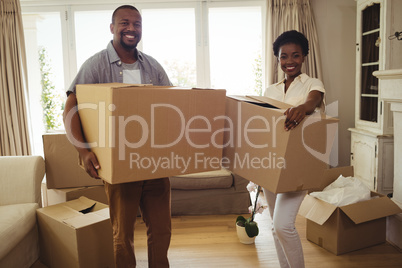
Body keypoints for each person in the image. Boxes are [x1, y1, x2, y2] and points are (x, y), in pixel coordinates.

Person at [63, 5, 172, 268]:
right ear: (112, 28)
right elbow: (71, 106)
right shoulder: (95, 64)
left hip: (154, 163)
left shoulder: (152, 66)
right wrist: (83, 150)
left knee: (161, 230)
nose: (131, 29)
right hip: (119, 163)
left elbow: (172, 106)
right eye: (124, 23)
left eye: (137, 24)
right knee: (122, 235)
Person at [263, 30, 325, 268]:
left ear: (304, 57)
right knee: (274, 225)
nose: (290, 61)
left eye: (295, 55)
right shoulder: (270, 91)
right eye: (284, 56)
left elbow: (313, 101)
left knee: (283, 224)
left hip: (298, 164)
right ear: (278, 59)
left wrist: (303, 108)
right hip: (272, 163)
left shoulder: (312, 83)